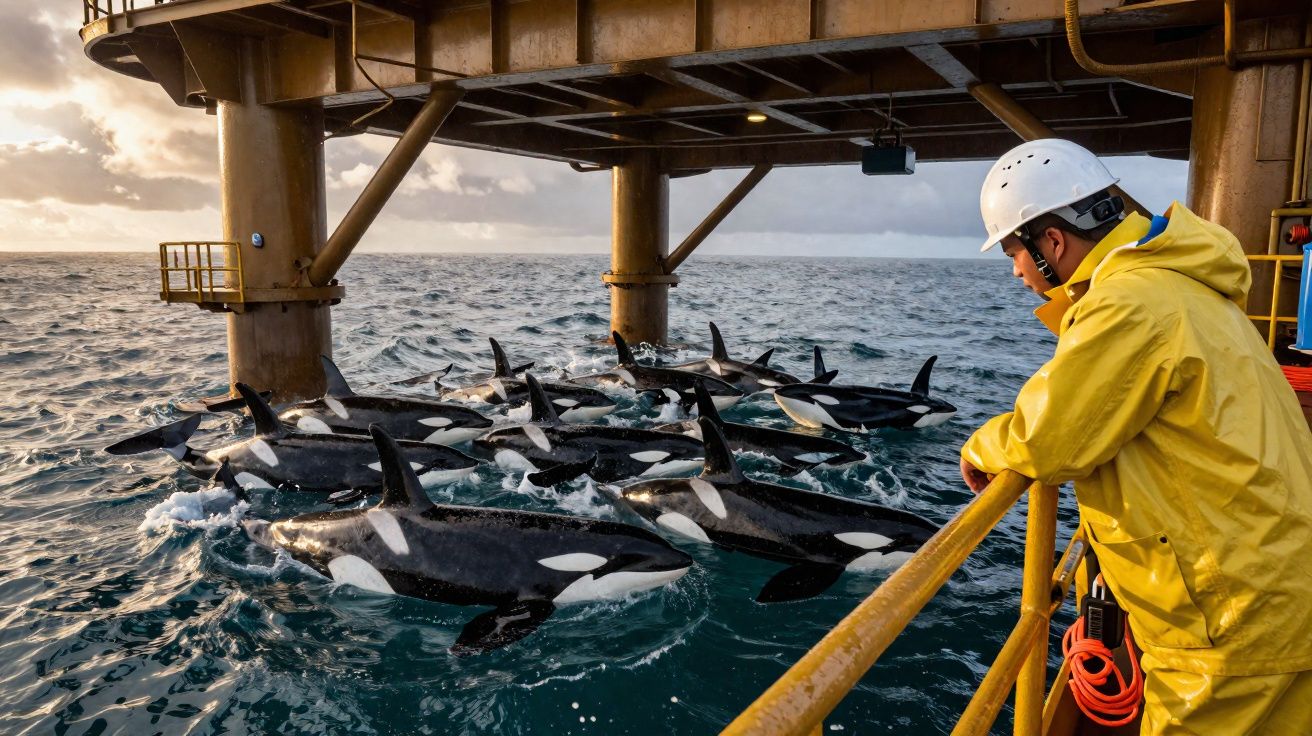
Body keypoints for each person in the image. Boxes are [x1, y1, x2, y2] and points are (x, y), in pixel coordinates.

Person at [960, 138, 1312, 734]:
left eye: (1013, 255)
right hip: (1277, 586)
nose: (1018, 275)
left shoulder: (1129, 304)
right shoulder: (1183, 284)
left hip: (1226, 626)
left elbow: (1047, 438)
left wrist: (979, 446)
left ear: (1051, 242)